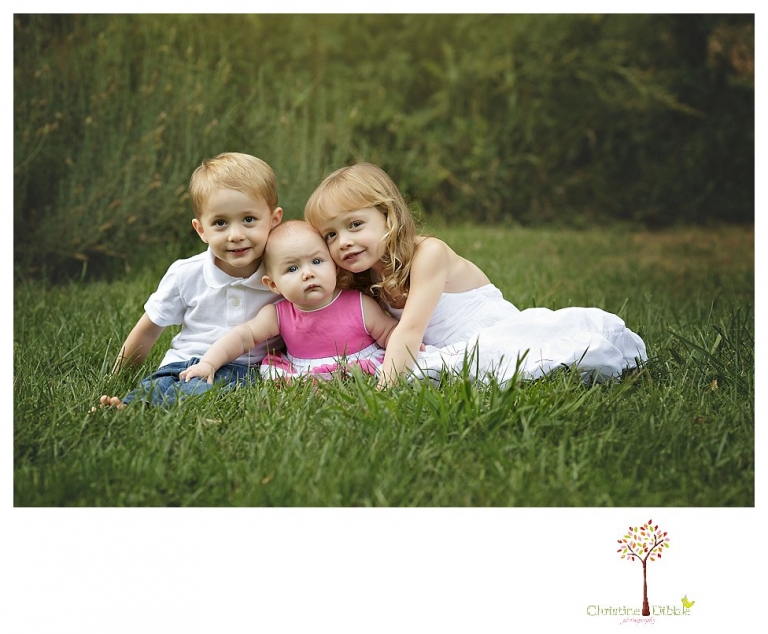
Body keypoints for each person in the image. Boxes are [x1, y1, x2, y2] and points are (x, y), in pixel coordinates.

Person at [304, 162, 648, 389]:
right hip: (443, 348)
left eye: (355, 225)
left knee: (516, 361)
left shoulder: (428, 254)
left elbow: (409, 331)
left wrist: (383, 391)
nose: (343, 241)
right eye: (331, 235)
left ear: (388, 216)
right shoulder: (365, 280)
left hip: (492, 335)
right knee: (422, 367)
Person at [94, 152, 284, 409]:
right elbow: (148, 329)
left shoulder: (282, 275)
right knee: (159, 383)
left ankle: (137, 409)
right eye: (220, 223)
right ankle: (129, 403)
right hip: (181, 361)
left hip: (240, 367)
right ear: (201, 229)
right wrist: (117, 376)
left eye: (249, 219)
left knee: (199, 390)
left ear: (274, 220)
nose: (236, 235)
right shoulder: (186, 273)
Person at [179, 220, 399, 384]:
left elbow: (391, 333)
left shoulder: (359, 305)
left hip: (361, 364)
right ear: (273, 285)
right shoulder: (278, 314)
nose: (308, 273)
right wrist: (209, 363)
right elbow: (242, 337)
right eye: (292, 268)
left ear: (335, 267)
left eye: (317, 261)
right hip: (304, 371)